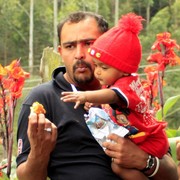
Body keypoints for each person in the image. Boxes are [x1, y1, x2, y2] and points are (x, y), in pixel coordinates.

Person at [16, 11, 178, 180]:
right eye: (70, 46)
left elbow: (172, 174)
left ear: (107, 45)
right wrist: (39, 151)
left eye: (88, 43)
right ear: (60, 51)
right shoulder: (43, 98)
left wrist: (144, 161)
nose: (79, 54)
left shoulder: (130, 92)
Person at [60, 13, 169, 179]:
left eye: (103, 68)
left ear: (123, 70)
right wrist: (95, 104)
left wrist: (85, 96)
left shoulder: (125, 85)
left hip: (148, 140)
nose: (97, 72)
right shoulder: (115, 81)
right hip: (144, 137)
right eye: (96, 65)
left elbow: (111, 96)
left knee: (119, 168)